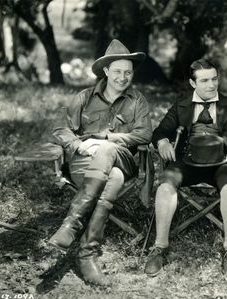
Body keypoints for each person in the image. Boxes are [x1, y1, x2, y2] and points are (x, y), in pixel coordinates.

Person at [48, 39, 152, 285]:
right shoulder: (84, 97)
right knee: (112, 178)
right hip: (85, 163)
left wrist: (106, 138)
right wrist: (78, 145)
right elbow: (61, 129)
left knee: (108, 150)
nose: (123, 77)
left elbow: (145, 134)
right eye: (117, 71)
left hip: (124, 159)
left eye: (128, 72)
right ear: (106, 71)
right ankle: (87, 255)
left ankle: (72, 223)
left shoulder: (137, 100)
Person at [144, 58, 227, 276]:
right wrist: (163, 142)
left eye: (214, 79)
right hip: (186, 162)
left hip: (221, 163)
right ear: (192, 83)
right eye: (204, 80)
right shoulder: (182, 104)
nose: (211, 85)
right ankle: (159, 247)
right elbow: (161, 130)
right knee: (165, 185)